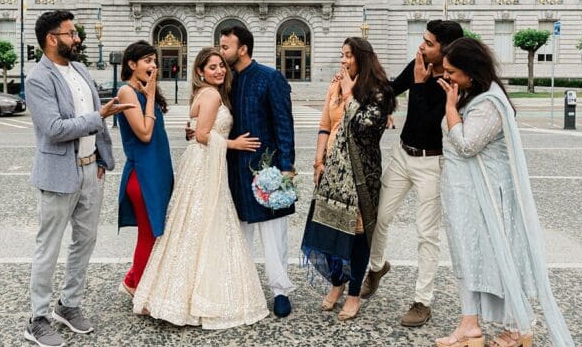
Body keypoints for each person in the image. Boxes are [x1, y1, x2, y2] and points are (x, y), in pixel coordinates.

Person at [433, 38, 579, 347]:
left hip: (481, 196)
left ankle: (489, 325)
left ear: (472, 71)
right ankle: (508, 325)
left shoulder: (488, 105)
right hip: (465, 193)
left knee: (489, 256)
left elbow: (467, 144)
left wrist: (451, 108)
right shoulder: (477, 97)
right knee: (475, 256)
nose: (448, 78)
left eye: (453, 72)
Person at [133, 47, 268, 329]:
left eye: (221, 66)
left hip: (199, 162)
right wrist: (234, 144)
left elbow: (195, 130)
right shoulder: (212, 95)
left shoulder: (202, 94)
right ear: (200, 72)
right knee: (204, 223)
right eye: (212, 67)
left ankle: (176, 292)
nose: (219, 70)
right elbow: (205, 135)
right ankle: (195, 295)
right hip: (204, 163)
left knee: (190, 224)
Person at [23, 10, 132, 347]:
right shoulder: (37, 79)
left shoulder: (81, 70)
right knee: (49, 247)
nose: (78, 38)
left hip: (90, 171)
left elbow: (96, 123)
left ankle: (69, 305)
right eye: (71, 33)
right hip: (58, 173)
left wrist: (101, 158)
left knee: (85, 241)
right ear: (52, 39)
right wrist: (98, 116)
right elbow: (54, 130)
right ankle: (37, 318)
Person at [362, 20, 464, 327]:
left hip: (429, 163)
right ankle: (377, 267)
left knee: (426, 234)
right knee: (379, 216)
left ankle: (422, 301)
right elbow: (392, 89)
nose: (421, 46)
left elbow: (428, 119)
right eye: (423, 40)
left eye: (429, 43)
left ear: (445, 50)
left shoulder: (450, 81)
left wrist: (420, 84)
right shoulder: (418, 64)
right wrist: (376, 99)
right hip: (402, 155)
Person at [302, 38, 395, 321]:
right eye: (342, 56)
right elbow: (325, 125)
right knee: (328, 229)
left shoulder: (378, 91)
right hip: (331, 173)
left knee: (356, 237)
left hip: (359, 177)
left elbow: (364, 126)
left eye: (348, 56)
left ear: (363, 59)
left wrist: (349, 94)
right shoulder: (336, 85)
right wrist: (318, 161)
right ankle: (337, 283)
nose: (343, 61)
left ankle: (353, 293)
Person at [220, 26, 297, 318]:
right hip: (234, 167)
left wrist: (286, 166)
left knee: (272, 230)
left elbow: (283, 124)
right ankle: (244, 286)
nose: (221, 51)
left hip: (267, 166)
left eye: (226, 46)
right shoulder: (224, 81)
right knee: (240, 230)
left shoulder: (270, 78)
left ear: (243, 49)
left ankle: (280, 290)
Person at [115, 41, 174, 296]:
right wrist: (150, 97)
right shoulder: (127, 91)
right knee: (148, 234)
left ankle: (132, 280)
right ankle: (135, 287)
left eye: (154, 61)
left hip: (157, 171)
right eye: (148, 60)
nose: (153, 66)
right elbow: (144, 133)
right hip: (142, 175)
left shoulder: (143, 90)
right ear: (131, 64)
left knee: (154, 232)